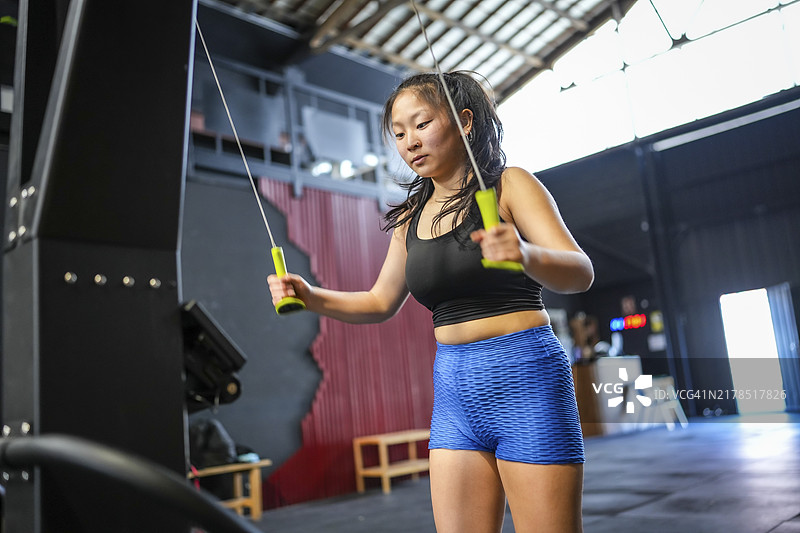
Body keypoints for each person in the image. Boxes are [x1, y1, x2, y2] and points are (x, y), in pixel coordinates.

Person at [267, 71, 594, 533]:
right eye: (398, 134)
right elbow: (380, 301)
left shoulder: (511, 185)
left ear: (463, 121)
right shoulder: (410, 219)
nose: (409, 142)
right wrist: (310, 296)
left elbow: (580, 272)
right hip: (455, 390)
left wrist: (524, 253)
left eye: (421, 124)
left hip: (526, 377)